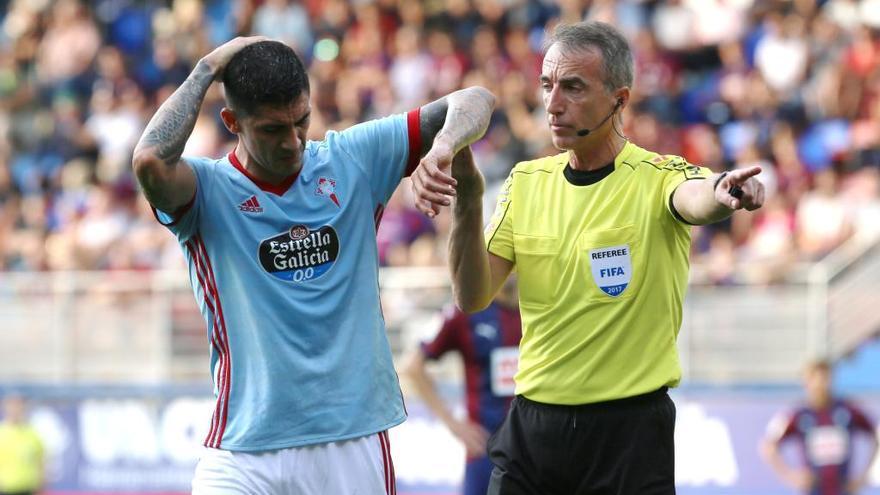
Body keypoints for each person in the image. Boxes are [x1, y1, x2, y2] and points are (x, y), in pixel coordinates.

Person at [414, 21, 766, 494]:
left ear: (619, 100)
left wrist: (725, 192)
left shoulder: (658, 176)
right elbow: (473, 295)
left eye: (573, 87)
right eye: (547, 85)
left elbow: (695, 196)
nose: (553, 103)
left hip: (629, 436)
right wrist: (469, 198)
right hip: (533, 429)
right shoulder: (526, 182)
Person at [131, 37, 495, 494]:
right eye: (271, 130)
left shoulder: (352, 160)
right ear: (232, 121)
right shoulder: (205, 190)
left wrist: (442, 148)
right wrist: (206, 69)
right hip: (243, 449)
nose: (292, 141)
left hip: (351, 440)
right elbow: (149, 159)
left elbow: (475, 100)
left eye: (301, 120)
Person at [402, 277, 522, 495]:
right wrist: (452, 423)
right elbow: (413, 366)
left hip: (536, 449)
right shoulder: (465, 312)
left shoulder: (543, 307)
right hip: (485, 451)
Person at [761, 359, 878, 495]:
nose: (820, 384)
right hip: (814, 490)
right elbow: (768, 445)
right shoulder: (798, 415)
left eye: (825, 378)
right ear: (807, 382)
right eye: (815, 379)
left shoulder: (847, 410)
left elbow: (876, 434)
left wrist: (864, 477)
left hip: (843, 489)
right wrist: (790, 476)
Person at [0, 394, 44, 495]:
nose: (15, 410)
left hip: (28, 487)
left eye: (19, 406)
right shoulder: (1, 432)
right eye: (12, 406)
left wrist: (40, 484)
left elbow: (41, 461)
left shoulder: (32, 433)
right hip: (5, 488)